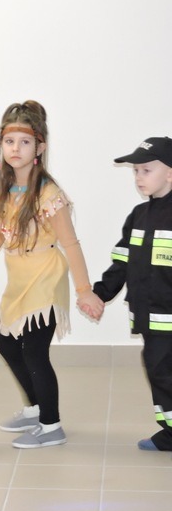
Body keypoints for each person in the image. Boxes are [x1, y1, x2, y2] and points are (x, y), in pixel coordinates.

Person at [0, 100, 103, 449]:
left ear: (40, 148)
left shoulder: (49, 194)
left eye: (24, 142)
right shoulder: (5, 190)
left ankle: (51, 426)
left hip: (45, 280)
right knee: (6, 344)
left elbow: (71, 244)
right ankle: (36, 409)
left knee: (34, 352)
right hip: (19, 281)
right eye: (9, 142)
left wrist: (84, 290)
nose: (15, 149)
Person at [87, 137, 172, 452]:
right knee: (159, 372)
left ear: (170, 173)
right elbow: (121, 262)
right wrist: (99, 294)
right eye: (136, 171)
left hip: (168, 315)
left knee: (164, 373)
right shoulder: (138, 216)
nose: (138, 177)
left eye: (146, 170)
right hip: (149, 316)